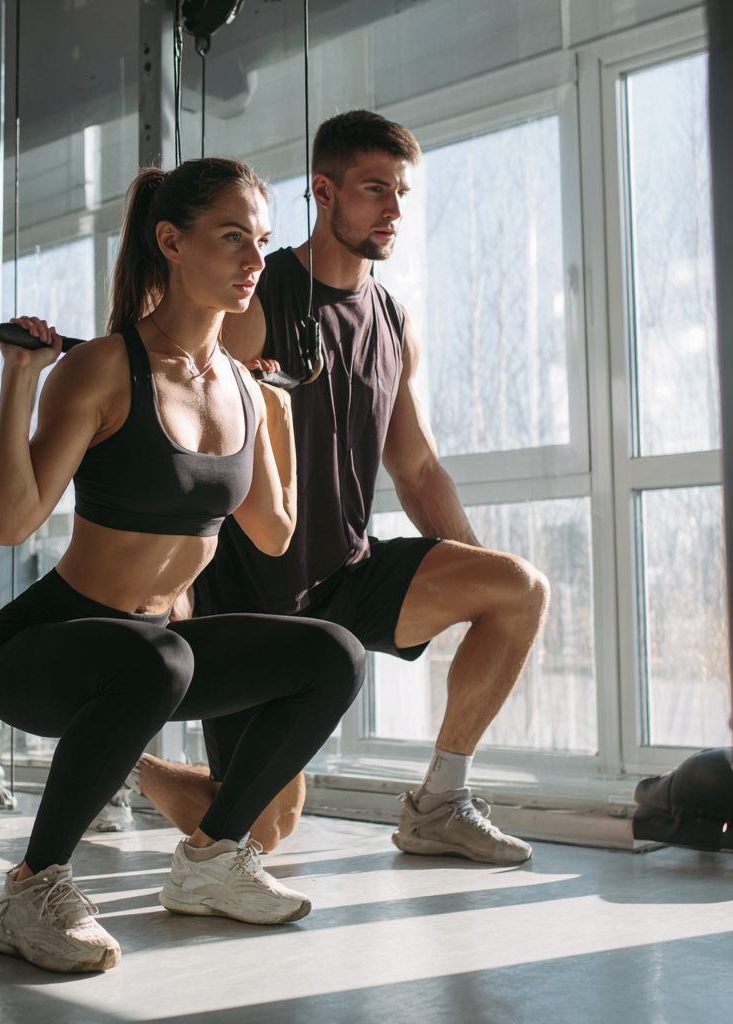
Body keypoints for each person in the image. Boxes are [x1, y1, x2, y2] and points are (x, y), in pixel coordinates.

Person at [0, 157, 366, 975]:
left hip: (156, 658)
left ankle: (214, 861)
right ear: (170, 242)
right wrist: (18, 382)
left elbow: (272, 531)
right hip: (44, 650)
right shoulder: (104, 367)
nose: (255, 260)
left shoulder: (246, 392)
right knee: (163, 656)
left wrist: (278, 418)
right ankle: (33, 889)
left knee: (335, 655)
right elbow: (10, 523)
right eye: (231, 239)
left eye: (261, 241)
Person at [136, 110, 550, 866]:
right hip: (250, 602)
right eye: (374, 190)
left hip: (347, 575)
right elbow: (185, 446)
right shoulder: (257, 301)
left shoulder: (392, 319)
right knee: (265, 831)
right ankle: (133, 765)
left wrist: (470, 582)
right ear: (323, 192)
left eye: (401, 193)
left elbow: (417, 468)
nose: (394, 209)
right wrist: (169, 594)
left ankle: (439, 804)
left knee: (517, 588)